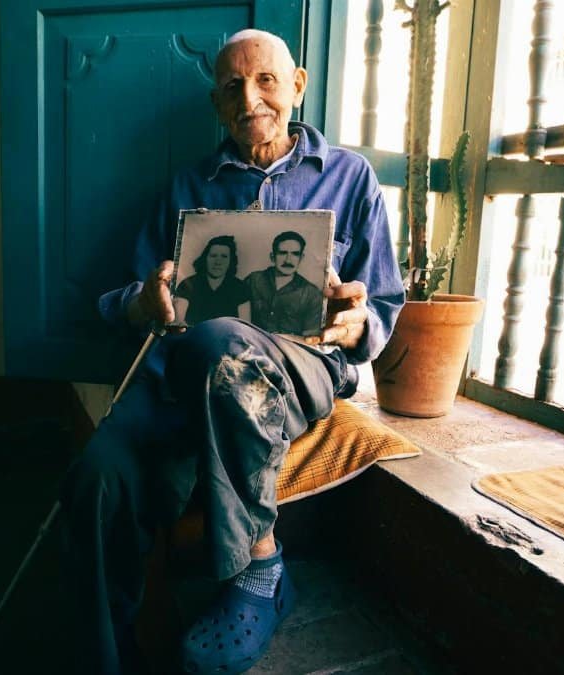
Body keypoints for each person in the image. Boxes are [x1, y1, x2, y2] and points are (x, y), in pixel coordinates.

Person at [61, 28, 403, 674]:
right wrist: (146, 303)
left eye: (266, 80)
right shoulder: (187, 188)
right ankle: (105, 658)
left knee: (220, 340)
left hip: (296, 368)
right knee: (98, 476)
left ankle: (258, 571)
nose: (250, 100)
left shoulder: (350, 178)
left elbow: (383, 302)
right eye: (232, 88)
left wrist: (356, 323)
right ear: (217, 105)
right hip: (179, 375)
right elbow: (123, 298)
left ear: (297, 85)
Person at [244, 230, 323, 336]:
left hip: (288, 345)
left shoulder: (311, 294)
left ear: (301, 258)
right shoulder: (254, 280)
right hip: (251, 342)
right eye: (282, 253)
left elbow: (310, 338)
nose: (288, 260)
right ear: (272, 256)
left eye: (295, 254)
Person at [173, 235, 252, 326]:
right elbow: (179, 323)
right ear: (205, 258)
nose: (218, 262)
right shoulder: (187, 284)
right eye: (213, 256)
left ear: (231, 261)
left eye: (224, 256)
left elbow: (244, 328)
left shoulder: (241, 288)